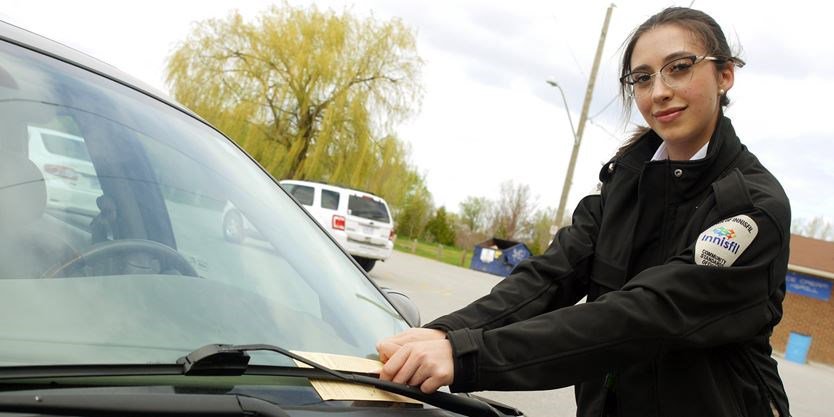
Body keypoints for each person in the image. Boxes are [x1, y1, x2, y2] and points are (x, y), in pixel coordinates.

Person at [376, 6, 791, 417]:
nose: (659, 91)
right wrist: (443, 333)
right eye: (642, 78)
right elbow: (550, 277)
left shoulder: (754, 209)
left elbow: (644, 316)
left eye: (679, 67)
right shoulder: (625, 182)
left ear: (725, 75)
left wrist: (468, 357)